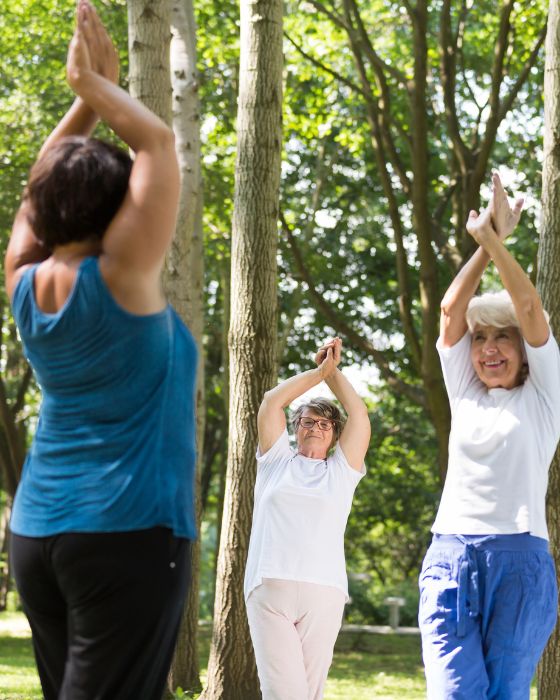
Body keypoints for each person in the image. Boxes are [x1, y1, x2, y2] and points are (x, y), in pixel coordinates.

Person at [5, 3, 197, 698]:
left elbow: (40, 190)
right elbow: (157, 147)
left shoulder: (24, 280)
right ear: (119, 208)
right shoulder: (123, 277)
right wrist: (93, 89)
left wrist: (85, 101)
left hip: (38, 536)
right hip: (126, 531)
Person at [418, 173, 560, 699]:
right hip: (452, 553)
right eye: (481, 339)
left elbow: (530, 310)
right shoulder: (464, 391)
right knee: (455, 693)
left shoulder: (544, 396)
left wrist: (496, 240)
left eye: (503, 338)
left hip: (520, 560)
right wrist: (485, 241)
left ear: (524, 352)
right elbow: (452, 311)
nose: (489, 348)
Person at [244, 337, 370, 700]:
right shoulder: (275, 462)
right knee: (284, 693)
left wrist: (335, 375)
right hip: (270, 586)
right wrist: (319, 373)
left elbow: (359, 415)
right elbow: (272, 402)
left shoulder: (342, 472)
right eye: (307, 421)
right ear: (295, 427)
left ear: (334, 436)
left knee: (309, 694)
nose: (315, 427)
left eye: (326, 424)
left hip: (324, 591)